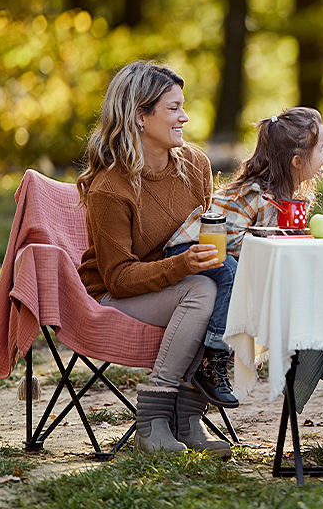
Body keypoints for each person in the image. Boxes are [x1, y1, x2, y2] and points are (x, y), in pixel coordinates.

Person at [75, 60, 228, 456]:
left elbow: (203, 233)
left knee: (228, 283)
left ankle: (188, 418)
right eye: (173, 108)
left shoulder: (195, 166)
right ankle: (152, 419)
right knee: (199, 290)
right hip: (116, 296)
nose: (185, 117)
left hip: (173, 286)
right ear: (140, 116)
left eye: (183, 106)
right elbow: (117, 278)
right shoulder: (111, 187)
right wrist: (183, 265)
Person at [163, 106, 323, 408]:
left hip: (218, 253)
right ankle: (212, 363)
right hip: (192, 249)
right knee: (230, 271)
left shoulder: (284, 196)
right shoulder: (257, 194)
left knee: (239, 273)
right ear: (297, 161)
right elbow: (232, 243)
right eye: (322, 147)